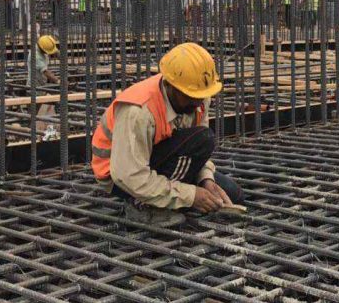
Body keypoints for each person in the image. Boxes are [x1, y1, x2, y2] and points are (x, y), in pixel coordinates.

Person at [91, 42, 245, 227]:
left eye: (201, 95)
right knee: (203, 139)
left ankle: (169, 196)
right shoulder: (139, 111)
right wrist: (190, 196)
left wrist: (205, 179)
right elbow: (129, 176)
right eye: (191, 95)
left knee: (233, 194)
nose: (198, 102)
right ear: (170, 86)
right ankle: (142, 206)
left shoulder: (197, 96)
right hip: (120, 176)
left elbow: (195, 150)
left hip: (158, 160)